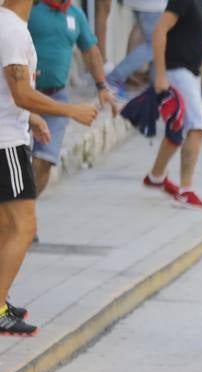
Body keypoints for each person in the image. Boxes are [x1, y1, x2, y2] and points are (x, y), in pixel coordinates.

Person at [0, 0, 97, 335]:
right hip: (5, 145)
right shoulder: (11, 29)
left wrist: (32, 116)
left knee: (6, 227)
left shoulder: (8, 26)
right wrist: (69, 111)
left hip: (9, 136)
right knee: (24, 227)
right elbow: (21, 92)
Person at [26, 0, 117, 195]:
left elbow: (90, 51)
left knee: (45, 160)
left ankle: (26, 211)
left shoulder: (75, 14)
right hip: (24, 96)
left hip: (57, 95)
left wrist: (102, 86)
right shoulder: (31, 8)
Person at [142, 0, 202, 207]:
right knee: (198, 127)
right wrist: (160, 74)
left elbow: (192, 38)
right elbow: (159, 31)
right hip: (176, 70)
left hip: (189, 72)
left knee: (178, 130)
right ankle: (185, 191)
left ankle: (156, 176)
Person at [105, 0, 166, 97]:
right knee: (154, 45)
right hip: (153, 5)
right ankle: (113, 78)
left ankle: (156, 88)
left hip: (146, 5)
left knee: (157, 45)